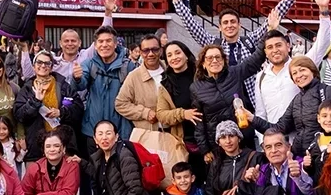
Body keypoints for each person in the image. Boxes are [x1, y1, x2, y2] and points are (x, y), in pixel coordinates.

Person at [238, 0, 331, 125]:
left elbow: (323, 43)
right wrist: (264, 139)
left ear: (288, 46)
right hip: (274, 139)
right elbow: (261, 113)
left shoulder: (300, 66)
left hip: (303, 136)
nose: (275, 50)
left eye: (279, 45)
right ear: (265, 52)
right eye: (270, 47)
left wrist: (324, 11)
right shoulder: (261, 77)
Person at [167, 0, 301, 66]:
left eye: (233, 22)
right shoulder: (213, 44)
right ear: (219, 27)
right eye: (225, 23)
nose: (229, 25)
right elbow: (190, 23)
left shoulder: (250, 41)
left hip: (250, 98)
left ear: (239, 25)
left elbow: (273, 16)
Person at [191, 40, 268, 154]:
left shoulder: (234, 73)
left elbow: (255, 60)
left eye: (218, 57)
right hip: (218, 144)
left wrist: (270, 29)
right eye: (209, 58)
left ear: (223, 60)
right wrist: (205, 150)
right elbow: (199, 121)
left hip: (243, 138)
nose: (214, 61)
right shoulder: (196, 87)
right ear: (203, 63)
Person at [15, 50, 81, 162]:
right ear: (34, 66)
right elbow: (19, 115)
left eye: (47, 63)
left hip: (62, 144)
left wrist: (61, 112)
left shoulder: (63, 86)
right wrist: (35, 101)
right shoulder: (26, 89)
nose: (43, 66)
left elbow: (78, 108)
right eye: (39, 62)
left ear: (51, 68)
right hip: (36, 146)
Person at [77, 18, 134, 142]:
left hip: (119, 130)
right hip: (93, 130)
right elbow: (81, 85)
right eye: (100, 41)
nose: (104, 45)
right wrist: (77, 78)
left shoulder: (127, 66)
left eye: (108, 41)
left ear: (115, 44)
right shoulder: (89, 64)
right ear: (96, 45)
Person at [154, 40, 203, 169]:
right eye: (169, 55)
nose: (174, 57)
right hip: (185, 142)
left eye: (177, 53)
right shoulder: (165, 84)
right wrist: (183, 114)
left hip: (209, 138)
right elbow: (161, 114)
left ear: (186, 55)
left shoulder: (201, 75)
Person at [114, 31, 168, 133]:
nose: (151, 54)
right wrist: (144, 113)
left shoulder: (171, 71)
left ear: (161, 51)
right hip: (147, 135)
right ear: (141, 53)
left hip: (174, 134)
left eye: (155, 49)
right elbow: (120, 104)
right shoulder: (134, 77)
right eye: (146, 50)